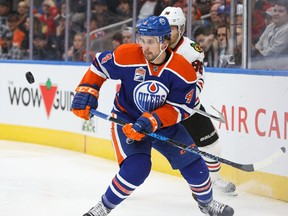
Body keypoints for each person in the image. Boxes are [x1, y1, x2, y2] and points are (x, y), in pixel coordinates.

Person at [71, 15, 234, 216]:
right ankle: (103, 207)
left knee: (195, 165)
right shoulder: (127, 55)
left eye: (150, 42)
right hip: (127, 119)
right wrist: (87, 90)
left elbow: (181, 108)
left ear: (165, 42)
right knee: (137, 168)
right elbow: (99, 65)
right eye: (142, 40)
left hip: (163, 125)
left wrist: (152, 121)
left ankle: (206, 203)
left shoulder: (182, 70)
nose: (144, 47)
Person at [160, 6, 237, 195]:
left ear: (181, 28)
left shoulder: (191, 50)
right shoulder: (152, 45)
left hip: (186, 105)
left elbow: (198, 80)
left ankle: (214, 180)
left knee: (211, 144)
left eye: (171, 28)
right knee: (139, 142)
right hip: (156, 105)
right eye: (164, 28)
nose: (167, 33)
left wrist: (185, 98)